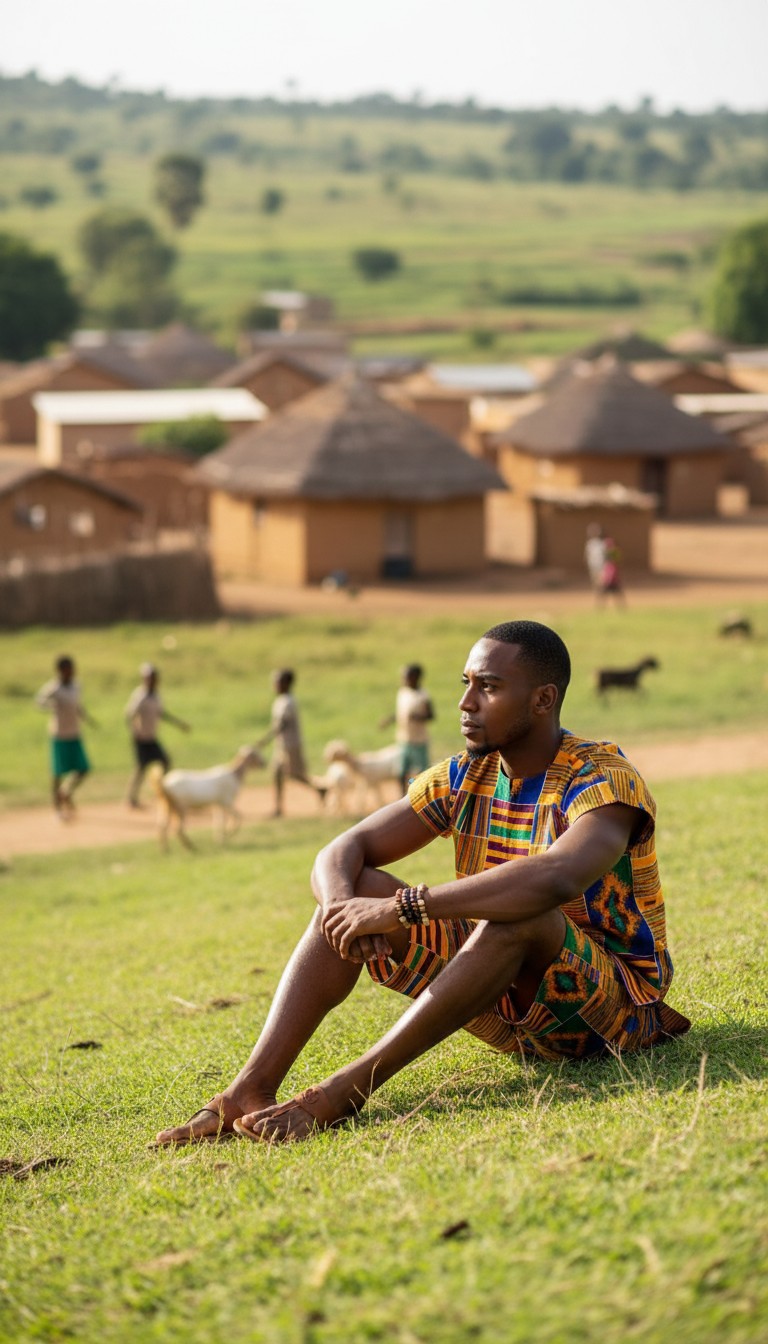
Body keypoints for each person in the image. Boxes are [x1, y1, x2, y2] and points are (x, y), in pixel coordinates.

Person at [155, 620, 690, 1149]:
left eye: (490, 686)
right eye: (467, 684)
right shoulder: (464, 775)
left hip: (615, 1016)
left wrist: (406, 908)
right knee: (353, 888)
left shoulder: (603, 778)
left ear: (543, 699)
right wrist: (346, 909)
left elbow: (556, 877)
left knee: (520, 913)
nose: (467, 703)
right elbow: (341, 849)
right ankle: (249, 1089)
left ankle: (344, 1091)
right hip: (505, 1006)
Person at [257, 669, 326, 818]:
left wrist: (264, 740)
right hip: (282, 745)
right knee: (277, 773)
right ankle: (279, 808)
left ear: (287, 683)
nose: (275, 685)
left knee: (295, 774)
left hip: (291, 745)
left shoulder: (288, 702)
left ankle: (320, 789)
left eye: (278, 682)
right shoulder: (280, 701)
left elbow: (281, 725)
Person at [35, 655, 96, 819]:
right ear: (61, 670)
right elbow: (39, 701)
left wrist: (87, 718)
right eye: (68, 669)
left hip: (74, 733)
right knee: (57, 772)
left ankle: (66, 792)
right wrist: (52, 705)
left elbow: (77, 705)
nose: (72, 672)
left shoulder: (76, 686)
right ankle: (57, 807)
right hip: (59, 735)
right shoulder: (54, 688)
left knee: (83, 769)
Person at [124, 663, 190, 808]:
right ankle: (132, 798)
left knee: (165, 762)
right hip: (141, 739)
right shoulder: (140, 695)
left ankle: (162, 793)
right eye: (149, 678)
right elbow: (129, 714)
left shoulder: (156, 695)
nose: (152, 680)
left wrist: (179, 724)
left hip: (151, 737)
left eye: (153, 678)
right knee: (141, 768)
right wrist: (134, 731)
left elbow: (160, 713)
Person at [379, 663, 435, 793]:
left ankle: (422, 794)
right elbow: (401, 713)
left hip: (419, 740)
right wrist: (389, 720)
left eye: (407, 677)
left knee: (422, 771)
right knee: (401, 771)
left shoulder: (423, 696)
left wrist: (418, 716)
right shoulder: (403, 692)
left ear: (416, 677)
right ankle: (403, 795)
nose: (404, 680)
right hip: (404, 739)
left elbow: (431, 715)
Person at [599, 537, 626, 607]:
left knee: (616, 593)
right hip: (609, 579)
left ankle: (621, 606)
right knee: (604, 593)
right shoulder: (607, 563)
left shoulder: (612, 562)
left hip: (613, 579)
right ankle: (601, 607)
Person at [584, 523, 607, 600]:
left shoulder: (602, 544)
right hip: (593, 565)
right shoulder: (590, 544)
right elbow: (587, 555)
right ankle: (598, 593)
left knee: (602, 580)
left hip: (601, 566)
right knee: (595, 581)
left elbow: (605, 555)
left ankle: (602, 594)